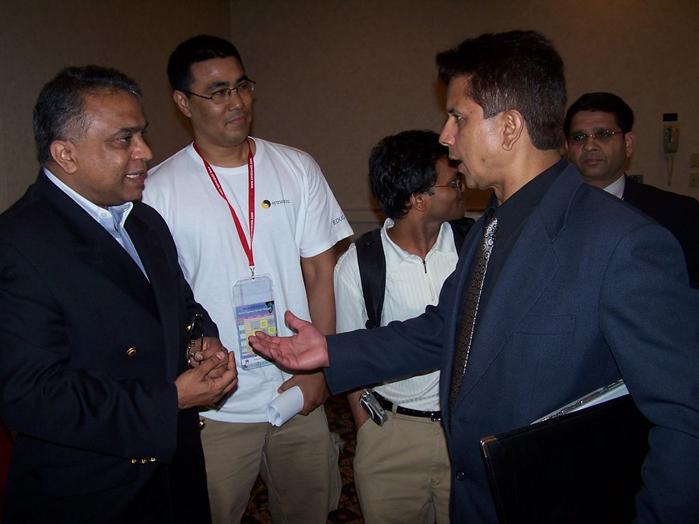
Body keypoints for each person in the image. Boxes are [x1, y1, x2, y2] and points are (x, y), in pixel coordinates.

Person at [250, 31, 699, 523]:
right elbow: (448, 328)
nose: (446, 135)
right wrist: (331, 351)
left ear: (509, 128)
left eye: (458, 117)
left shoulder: (623, 242)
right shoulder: (491, 226)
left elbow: (686, 418)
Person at [0, 65, 238, 524]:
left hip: (175, 472)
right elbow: (31, 394)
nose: (145, 152)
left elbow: (180, 306)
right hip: (94, 491)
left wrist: (201, 339)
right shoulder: (17, 244)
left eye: (142, 134)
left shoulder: (144, 221)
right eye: (123, 139)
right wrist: (169, 401)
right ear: (65, 154)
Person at [142, 35, 351, 523]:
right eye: (217, 92)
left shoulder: (296, 168)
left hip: (297, 392)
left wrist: (319, 371)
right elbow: (162, 303)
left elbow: (320, 270)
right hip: (214, 406)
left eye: (241, 86)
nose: (236, 102)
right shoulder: (157, 190)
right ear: (182, 102)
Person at [336, 130, 470, 523]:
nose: (462, 188)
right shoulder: (360, 264)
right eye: (453, 182)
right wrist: (370, 431)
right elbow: (351, 361)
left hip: (465, 430)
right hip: (392, 437)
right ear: (418, 199)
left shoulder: (474, 247)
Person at [565, 91, 699, 288]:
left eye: (603, 135)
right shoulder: (550, 212)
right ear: (567, 148)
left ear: (628, 144)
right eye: (579, 137)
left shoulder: (678, 214)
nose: (589, 145)